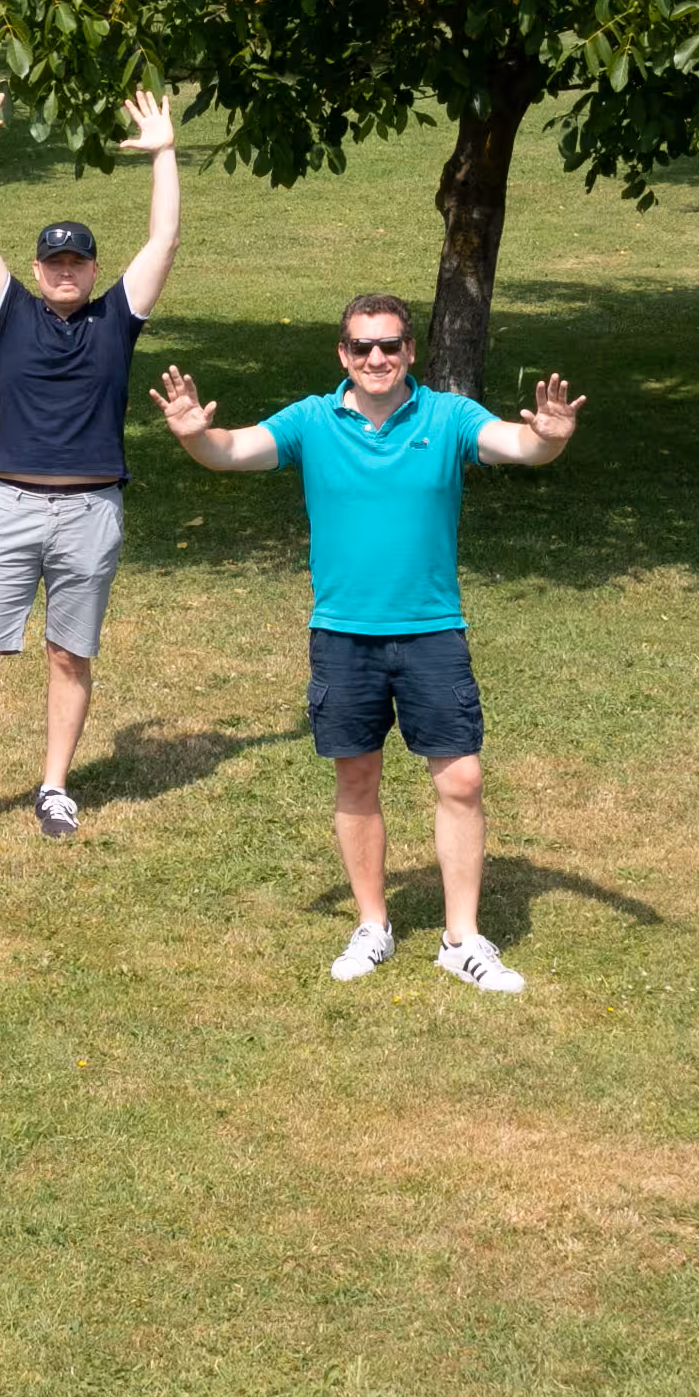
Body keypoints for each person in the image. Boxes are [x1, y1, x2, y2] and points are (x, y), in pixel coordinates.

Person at [152, 304, 584, 992]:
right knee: (356, 779)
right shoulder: (312, 420)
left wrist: (549, 440)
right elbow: (231, 451)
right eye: (362, 347)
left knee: (462, 780)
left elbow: (518, 444)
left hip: (432, 629)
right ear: (343, 353)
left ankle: (462, 939)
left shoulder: (448, 416)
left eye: (389, 345)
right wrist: (194, 437)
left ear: (410, 350)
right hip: (343, 633)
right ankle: (373, 925)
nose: (375, 358)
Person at [0, 81, 186, 838]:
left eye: (77, 261)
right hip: (10, 504)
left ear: (94, 268)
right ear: (37, 269)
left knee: (70, 656)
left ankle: (54, 788)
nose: (65, 270)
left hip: (92, 509)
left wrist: (164, 154)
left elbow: (164, 242)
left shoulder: (118, 319)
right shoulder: (10, 312)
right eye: (54, 261)